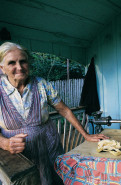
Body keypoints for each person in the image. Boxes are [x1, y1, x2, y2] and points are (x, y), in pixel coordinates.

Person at [0, 42, 109, 185]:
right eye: (12, 63)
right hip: (18, 155)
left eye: (23, 61)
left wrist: (86, 134)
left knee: (56, 179)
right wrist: (4, 143)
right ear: (2, 67)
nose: (19, 67)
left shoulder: (41, 84)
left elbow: (63, 109)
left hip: (48, 145)